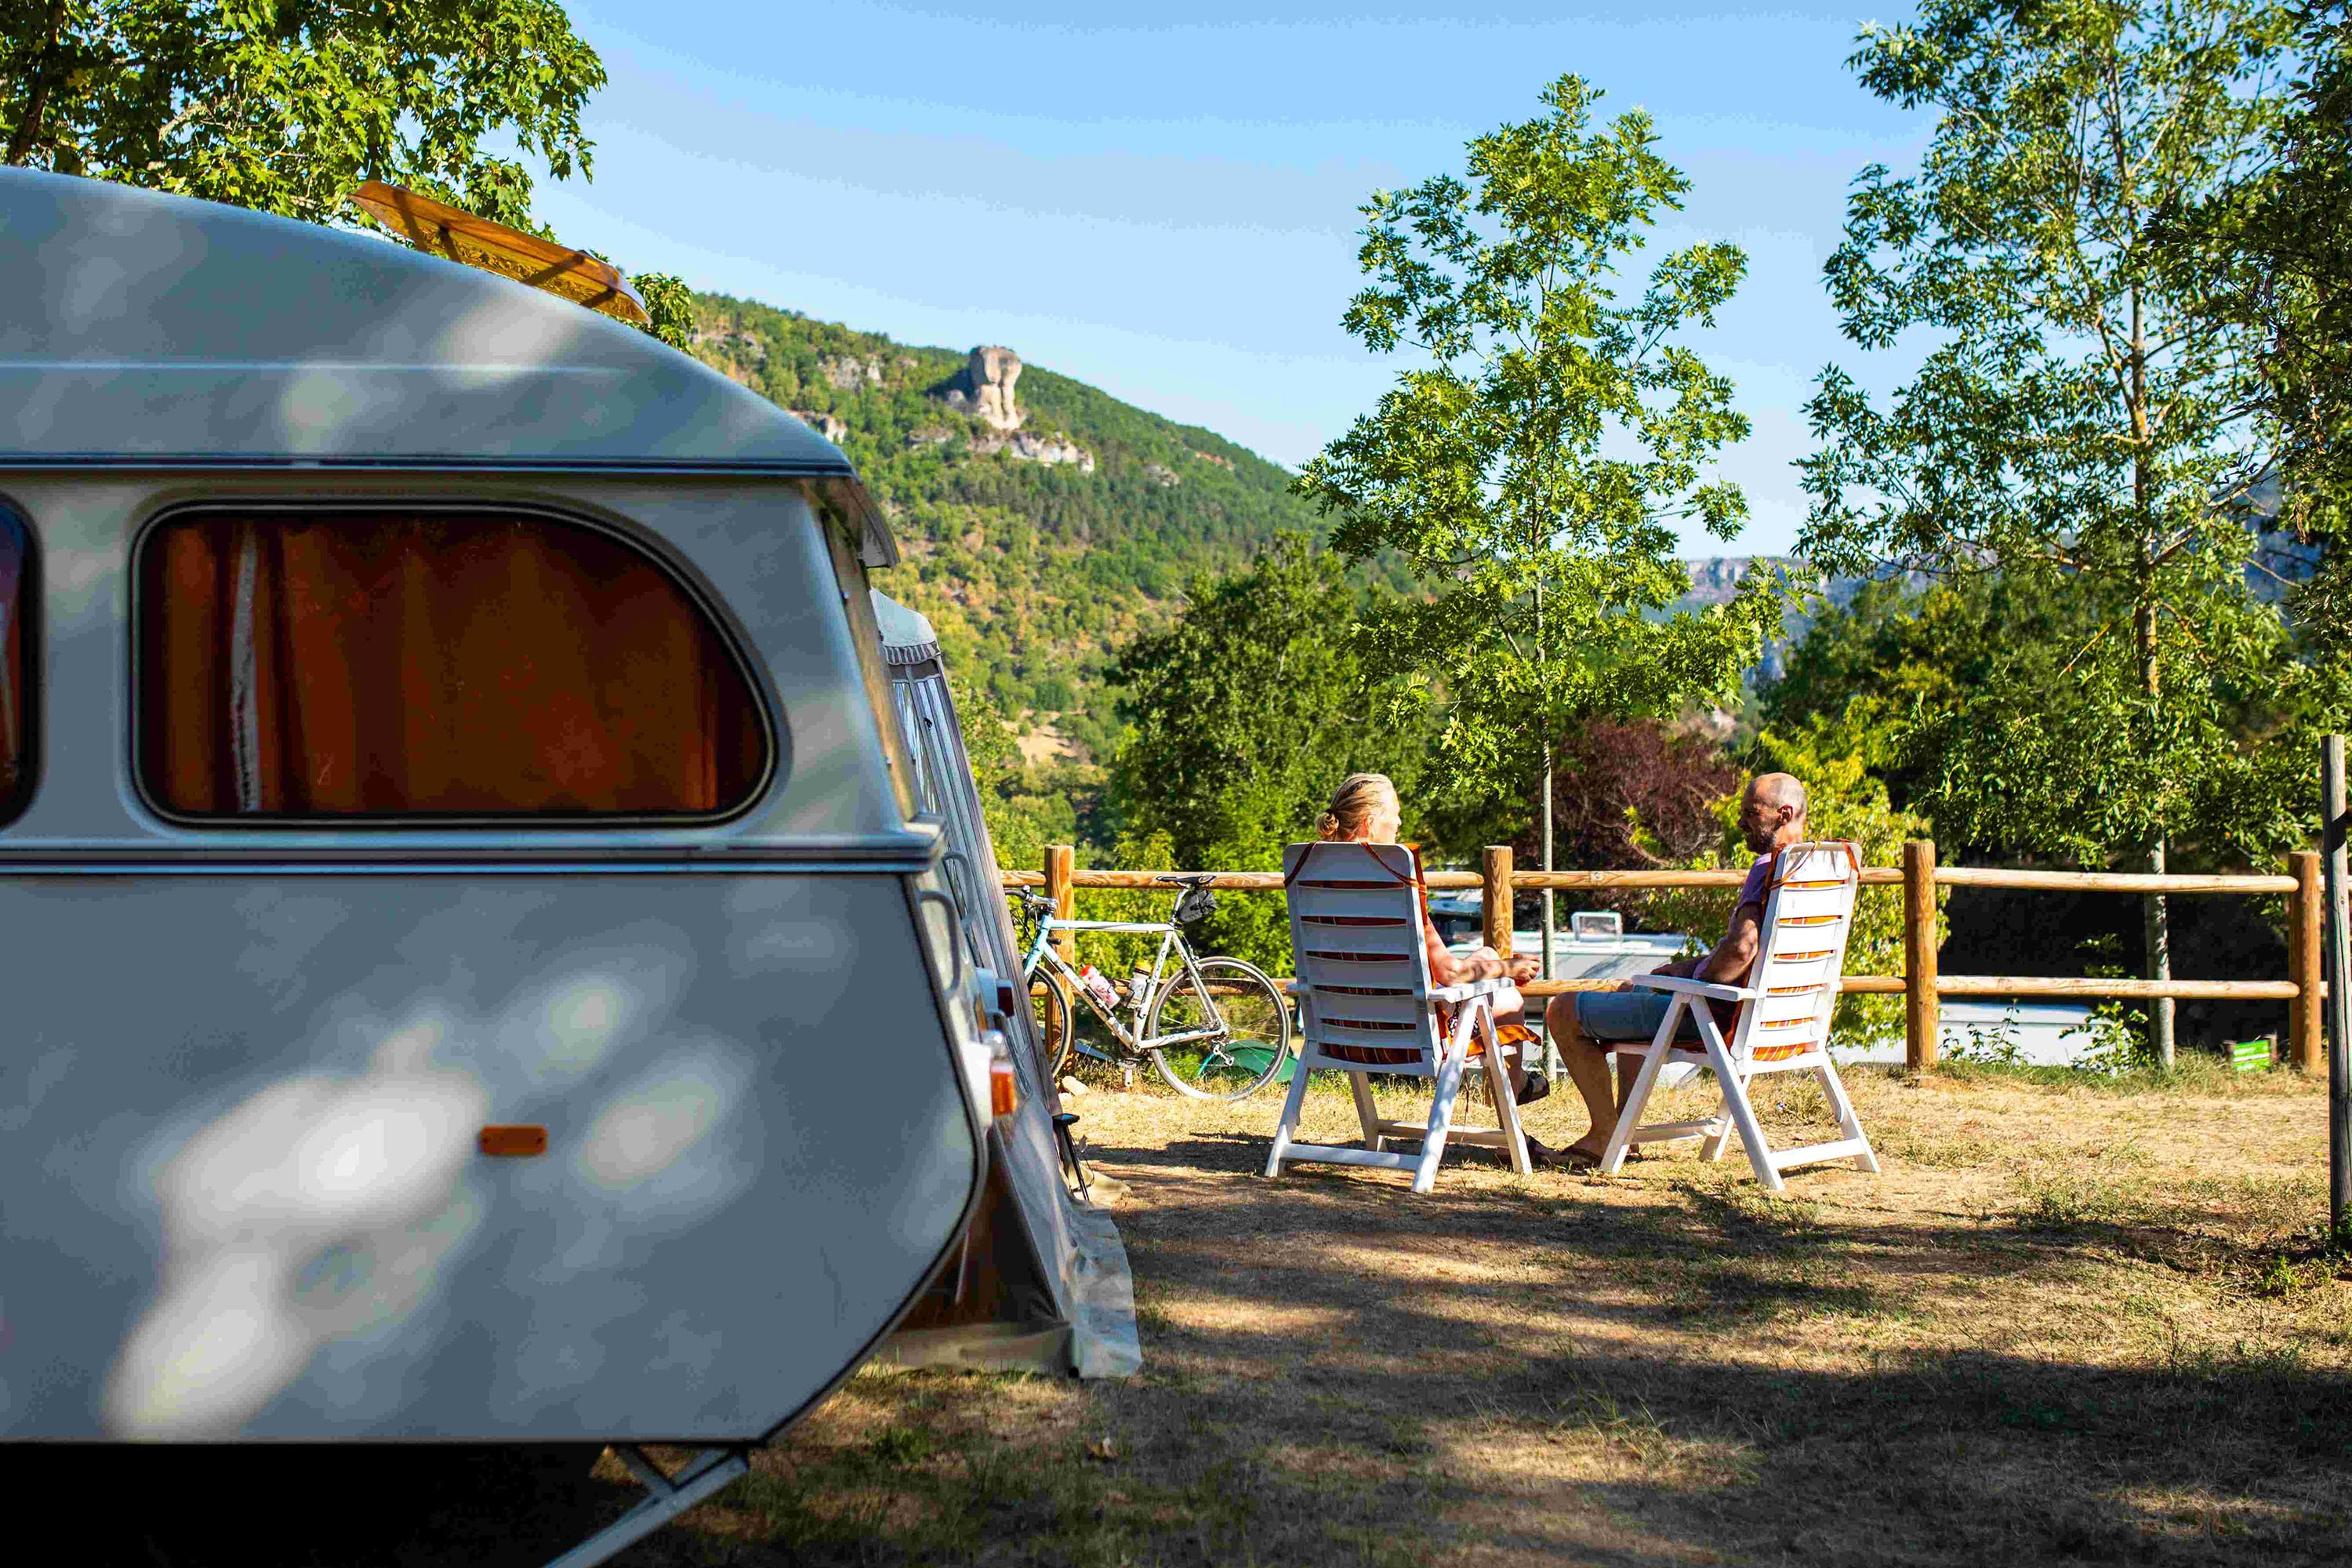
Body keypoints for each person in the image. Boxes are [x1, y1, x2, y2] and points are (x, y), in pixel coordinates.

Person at [1536, 771, 1812, 1170]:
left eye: (1751, 813)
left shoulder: (1769, 868)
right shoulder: (1815, 869)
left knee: (1562, 1010)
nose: (1740, 823)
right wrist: (1684, 969)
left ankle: (1604, 1135)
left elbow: (1741, 948)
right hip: (1781, 1016)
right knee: (1636, 991)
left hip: (1719, 1017)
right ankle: (1621, 1138)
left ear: (1783, 814)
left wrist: (1693, 982)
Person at [1312, 773, 1549, 1098]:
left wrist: (1495, 963)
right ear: (1369, 822)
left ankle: (1518, 1091)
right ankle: (1513, 1112)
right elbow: (1451, 974)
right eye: (1394, 813)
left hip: (1340, 1032)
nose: (1399, 821)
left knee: (1487, 956)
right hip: (1404, 1038)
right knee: (1508, 997)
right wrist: (1510, 968)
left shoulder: (1315, 877)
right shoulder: (1393, 878)